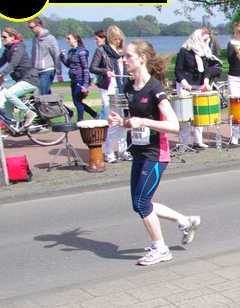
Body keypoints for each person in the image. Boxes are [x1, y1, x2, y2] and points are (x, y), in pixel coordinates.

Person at [106, 40, 202, 266]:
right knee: (139, 203)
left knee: (142, 203)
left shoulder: (155, 88)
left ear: (142, 58)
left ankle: (161, 249)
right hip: (139, 151)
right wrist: (121, 122)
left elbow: (173, 126)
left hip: (156, 153)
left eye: (128, 56)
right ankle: (185, 221)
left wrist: (144, 121)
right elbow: (133, 121)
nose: (124, 60)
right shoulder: (129, 88)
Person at [174, 28, 223, 149]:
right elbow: (178, 70)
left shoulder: (203, 52)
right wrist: (184, 83)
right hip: (185, 86)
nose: (205, 42)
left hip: (199, 85)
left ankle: (198, 140)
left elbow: (206, 71)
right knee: (185, 116)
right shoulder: (184, 51)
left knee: (199, 114)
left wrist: (206, 81)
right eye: (204, 40)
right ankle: (185, 142)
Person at [90, 26, 131, 163]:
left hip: (122, 87)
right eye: (116, 39)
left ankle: (123, 150)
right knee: (113, 120)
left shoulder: (122, 52)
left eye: (120, 39)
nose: (118, 41)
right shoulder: (102, 50)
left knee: (122, 120)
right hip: (109, 88)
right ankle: (108, 152)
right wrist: (105, 72)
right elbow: (92, 67)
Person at [0, 27, 40, 128]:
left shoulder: (18, 48)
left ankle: (29, 113)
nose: (2, 39)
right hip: (21, 80)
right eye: (2, 37)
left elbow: (13, 63)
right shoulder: (8, 49)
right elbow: (0, 63)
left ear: (12, 37)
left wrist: (1, 75)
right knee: (6, 103)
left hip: (30, 79)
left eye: (4, 37)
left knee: (9, 94)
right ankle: (10, 126)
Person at [60, 33, 97, 122]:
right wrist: (62, 57)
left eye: (69, 38)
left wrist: (85, 83)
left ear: (75, 39)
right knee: (77, 101)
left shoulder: (81, 52)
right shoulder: (71, 51)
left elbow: (85, 68)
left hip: (80, 78)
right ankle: (95, 114)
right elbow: (68, 65)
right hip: (73, 79)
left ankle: (80, 120)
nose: (67, 40)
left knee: (77, 101)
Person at [28, 17, 63, 95]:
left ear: (39, 26)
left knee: (42, 94)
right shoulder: (34, 39)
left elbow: (56, 56)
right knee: (46, 95)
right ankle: (55, 103)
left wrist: (59, 73)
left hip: (47, 70)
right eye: (29, 27)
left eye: (32, 27)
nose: (30, 29)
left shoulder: (50, 39)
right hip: (37, 71)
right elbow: (33, 56)